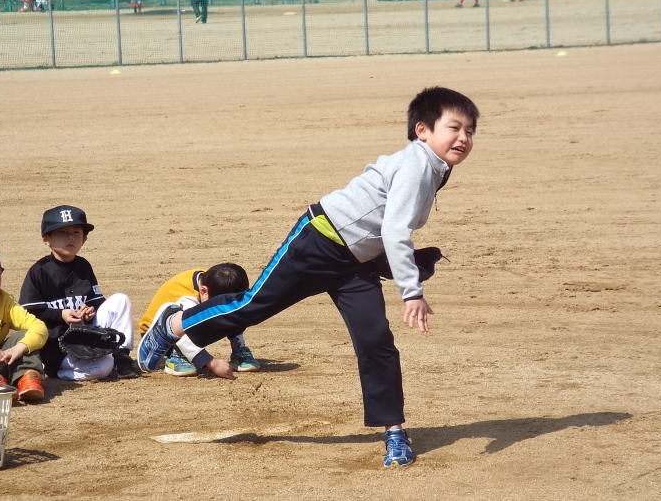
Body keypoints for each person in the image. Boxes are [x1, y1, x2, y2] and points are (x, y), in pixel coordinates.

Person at [139, 86, 479, 468]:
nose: (463, 138)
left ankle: (394, 432)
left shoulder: (436, 167)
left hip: (356, 264)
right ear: (422, 130)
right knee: (254, 304)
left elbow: (383, 223)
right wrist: (411, 291)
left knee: (375, 340)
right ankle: (174, 324)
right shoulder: (416, 166)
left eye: (470, 131)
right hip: (318, 241)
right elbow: (395, 230)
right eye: (454, 128)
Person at [19, 205, 139, 382]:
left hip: (86, 337)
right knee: (104, 366)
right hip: (56, 347)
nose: (70, 237)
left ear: (84, 239)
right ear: (46, 239)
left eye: (76, 232)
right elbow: (28, 312)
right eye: (62, 232)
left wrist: (90, 310)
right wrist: (61, 314)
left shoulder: (84, 266)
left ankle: (121, 356)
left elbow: (97, 302)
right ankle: (55, 371)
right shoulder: (39, 271)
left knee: (121, 300)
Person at [139, 264, 260, 377]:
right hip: (158, 337)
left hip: (181, 326)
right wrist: (212, 363)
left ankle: (238, 349)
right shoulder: (188, 300)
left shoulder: (214, 281)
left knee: (233, 312)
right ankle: (177, 356)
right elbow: (183, 333)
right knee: (208, 317)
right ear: (203, 291)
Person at [0, 246, 48, 401]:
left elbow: (39, 327)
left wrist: (19, 347)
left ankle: (27, 378)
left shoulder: (5, 301)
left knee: (24, 336)